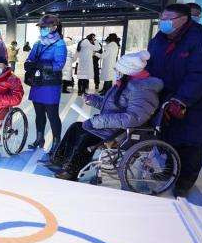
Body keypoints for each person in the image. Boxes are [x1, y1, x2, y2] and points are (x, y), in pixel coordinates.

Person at [49, 51, 163, 181]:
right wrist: (92, 99)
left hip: (123, 132)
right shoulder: (125, 84)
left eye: (118, 69)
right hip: (112, 126)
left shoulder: (142, 90)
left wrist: (98, 121)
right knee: (76, 127)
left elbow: (133, 118)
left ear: (128, 71)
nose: (116, 71)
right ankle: (59, 160)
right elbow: (112, 104)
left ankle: (71, 170)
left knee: (87, 136)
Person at [146, 3, 202, 197]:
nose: (164, 23)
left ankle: (184, 183)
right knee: (166, 137)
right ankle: (166, 173)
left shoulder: (200, 38)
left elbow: (199, 73)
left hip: (192, 101)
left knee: (189, 143)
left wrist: (182, 99)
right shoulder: (160, 38)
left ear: (183, 19)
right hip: (164, 96)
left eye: (168, 19)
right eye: (162, 19)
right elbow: (150, 62)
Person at [24, 14, 67, 156]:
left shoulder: (60, 44)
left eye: (45, 27)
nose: (42, 30)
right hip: (38, 83)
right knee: (39, 114)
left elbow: (59, 65)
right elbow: (30, 59)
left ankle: (56, 143)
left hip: (51, 84)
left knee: (52, 115)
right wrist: (28, 64)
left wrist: (41, 65)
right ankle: (39, 138)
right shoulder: (38, 43)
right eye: (41, 27)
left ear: (54, 27)